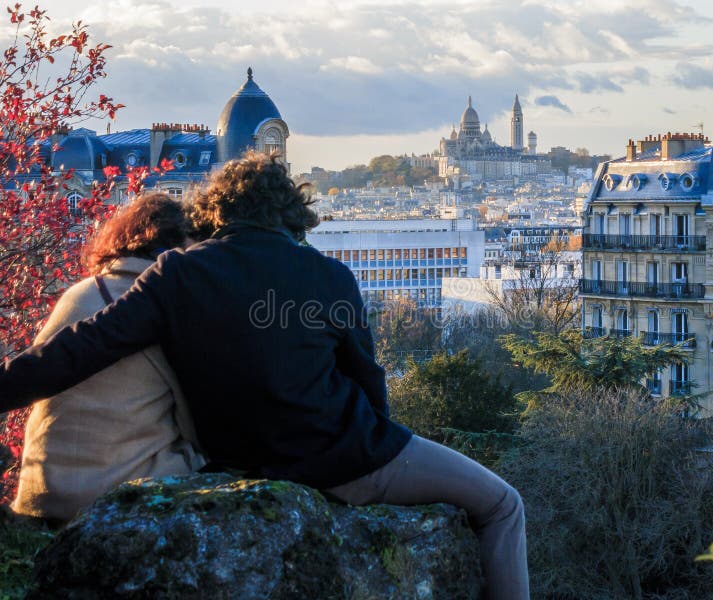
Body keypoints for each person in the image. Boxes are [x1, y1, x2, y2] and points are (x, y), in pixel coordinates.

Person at [0, 152, 528, 599]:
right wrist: (384, 457)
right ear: (291, 212)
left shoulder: (177, 274)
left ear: (213, 212)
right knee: (504, 505)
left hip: (235, 465)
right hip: (344, 460)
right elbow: (368, 380)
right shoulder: (328, 275)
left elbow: (77, 351)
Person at [11, 193, 206, 522]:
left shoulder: (81, 292)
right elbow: (196, 424)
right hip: (113, 492)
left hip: (39, 491)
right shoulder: (171, 306)